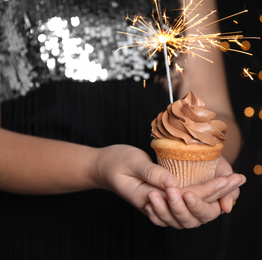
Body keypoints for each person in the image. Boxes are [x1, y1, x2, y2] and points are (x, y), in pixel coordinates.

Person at [0, 0, 245, 258]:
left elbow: (217, 110)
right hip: (34, 228)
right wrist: (97, 166)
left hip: (161, 238)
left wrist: (209, 165)